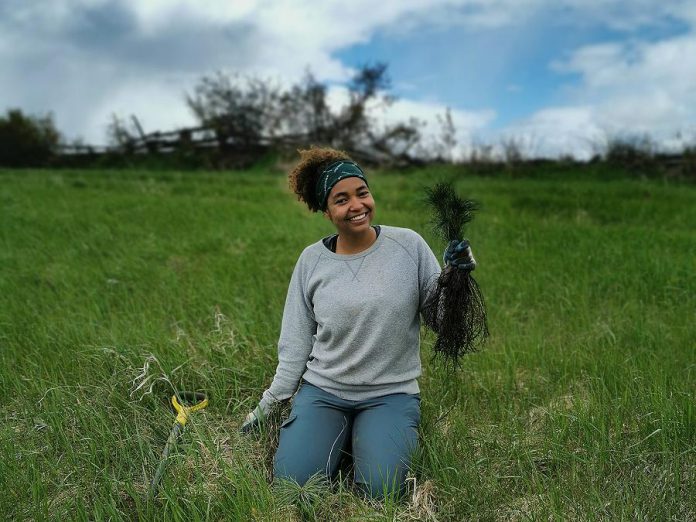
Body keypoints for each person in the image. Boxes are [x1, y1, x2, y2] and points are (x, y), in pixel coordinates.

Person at [241, 146, 475, 498]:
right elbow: (296, 343)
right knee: (294, 489)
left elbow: (442, 321)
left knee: (383, 494)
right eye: (341, 199)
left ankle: (368, 439)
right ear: (326, 210)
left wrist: (457, 278)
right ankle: (334, 437)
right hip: (324, 391)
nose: (356, 206)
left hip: (390, 394)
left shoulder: (408, 246)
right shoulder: (311, 261)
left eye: (362, 193)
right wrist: (269, 403)